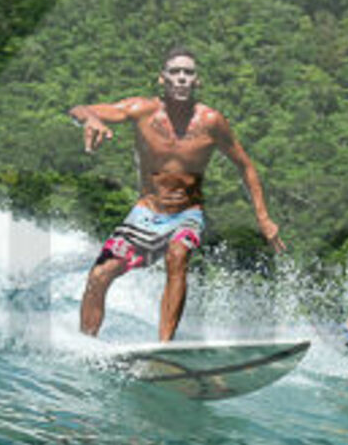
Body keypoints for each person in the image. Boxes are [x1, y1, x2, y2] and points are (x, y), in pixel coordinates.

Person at [69, 47, 283, 340]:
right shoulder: (141, 110)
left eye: (188, 73)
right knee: (99, 275)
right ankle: (86, 346)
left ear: (197, 81)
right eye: (175, 72)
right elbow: (80, 109)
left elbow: (245, 167)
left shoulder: (211, 121)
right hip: (145, 213)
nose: (181, 78)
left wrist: (264, 218)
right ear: (162, 79)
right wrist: (89, 119)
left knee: (177, 254)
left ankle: (163, 348)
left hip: (187, 213)